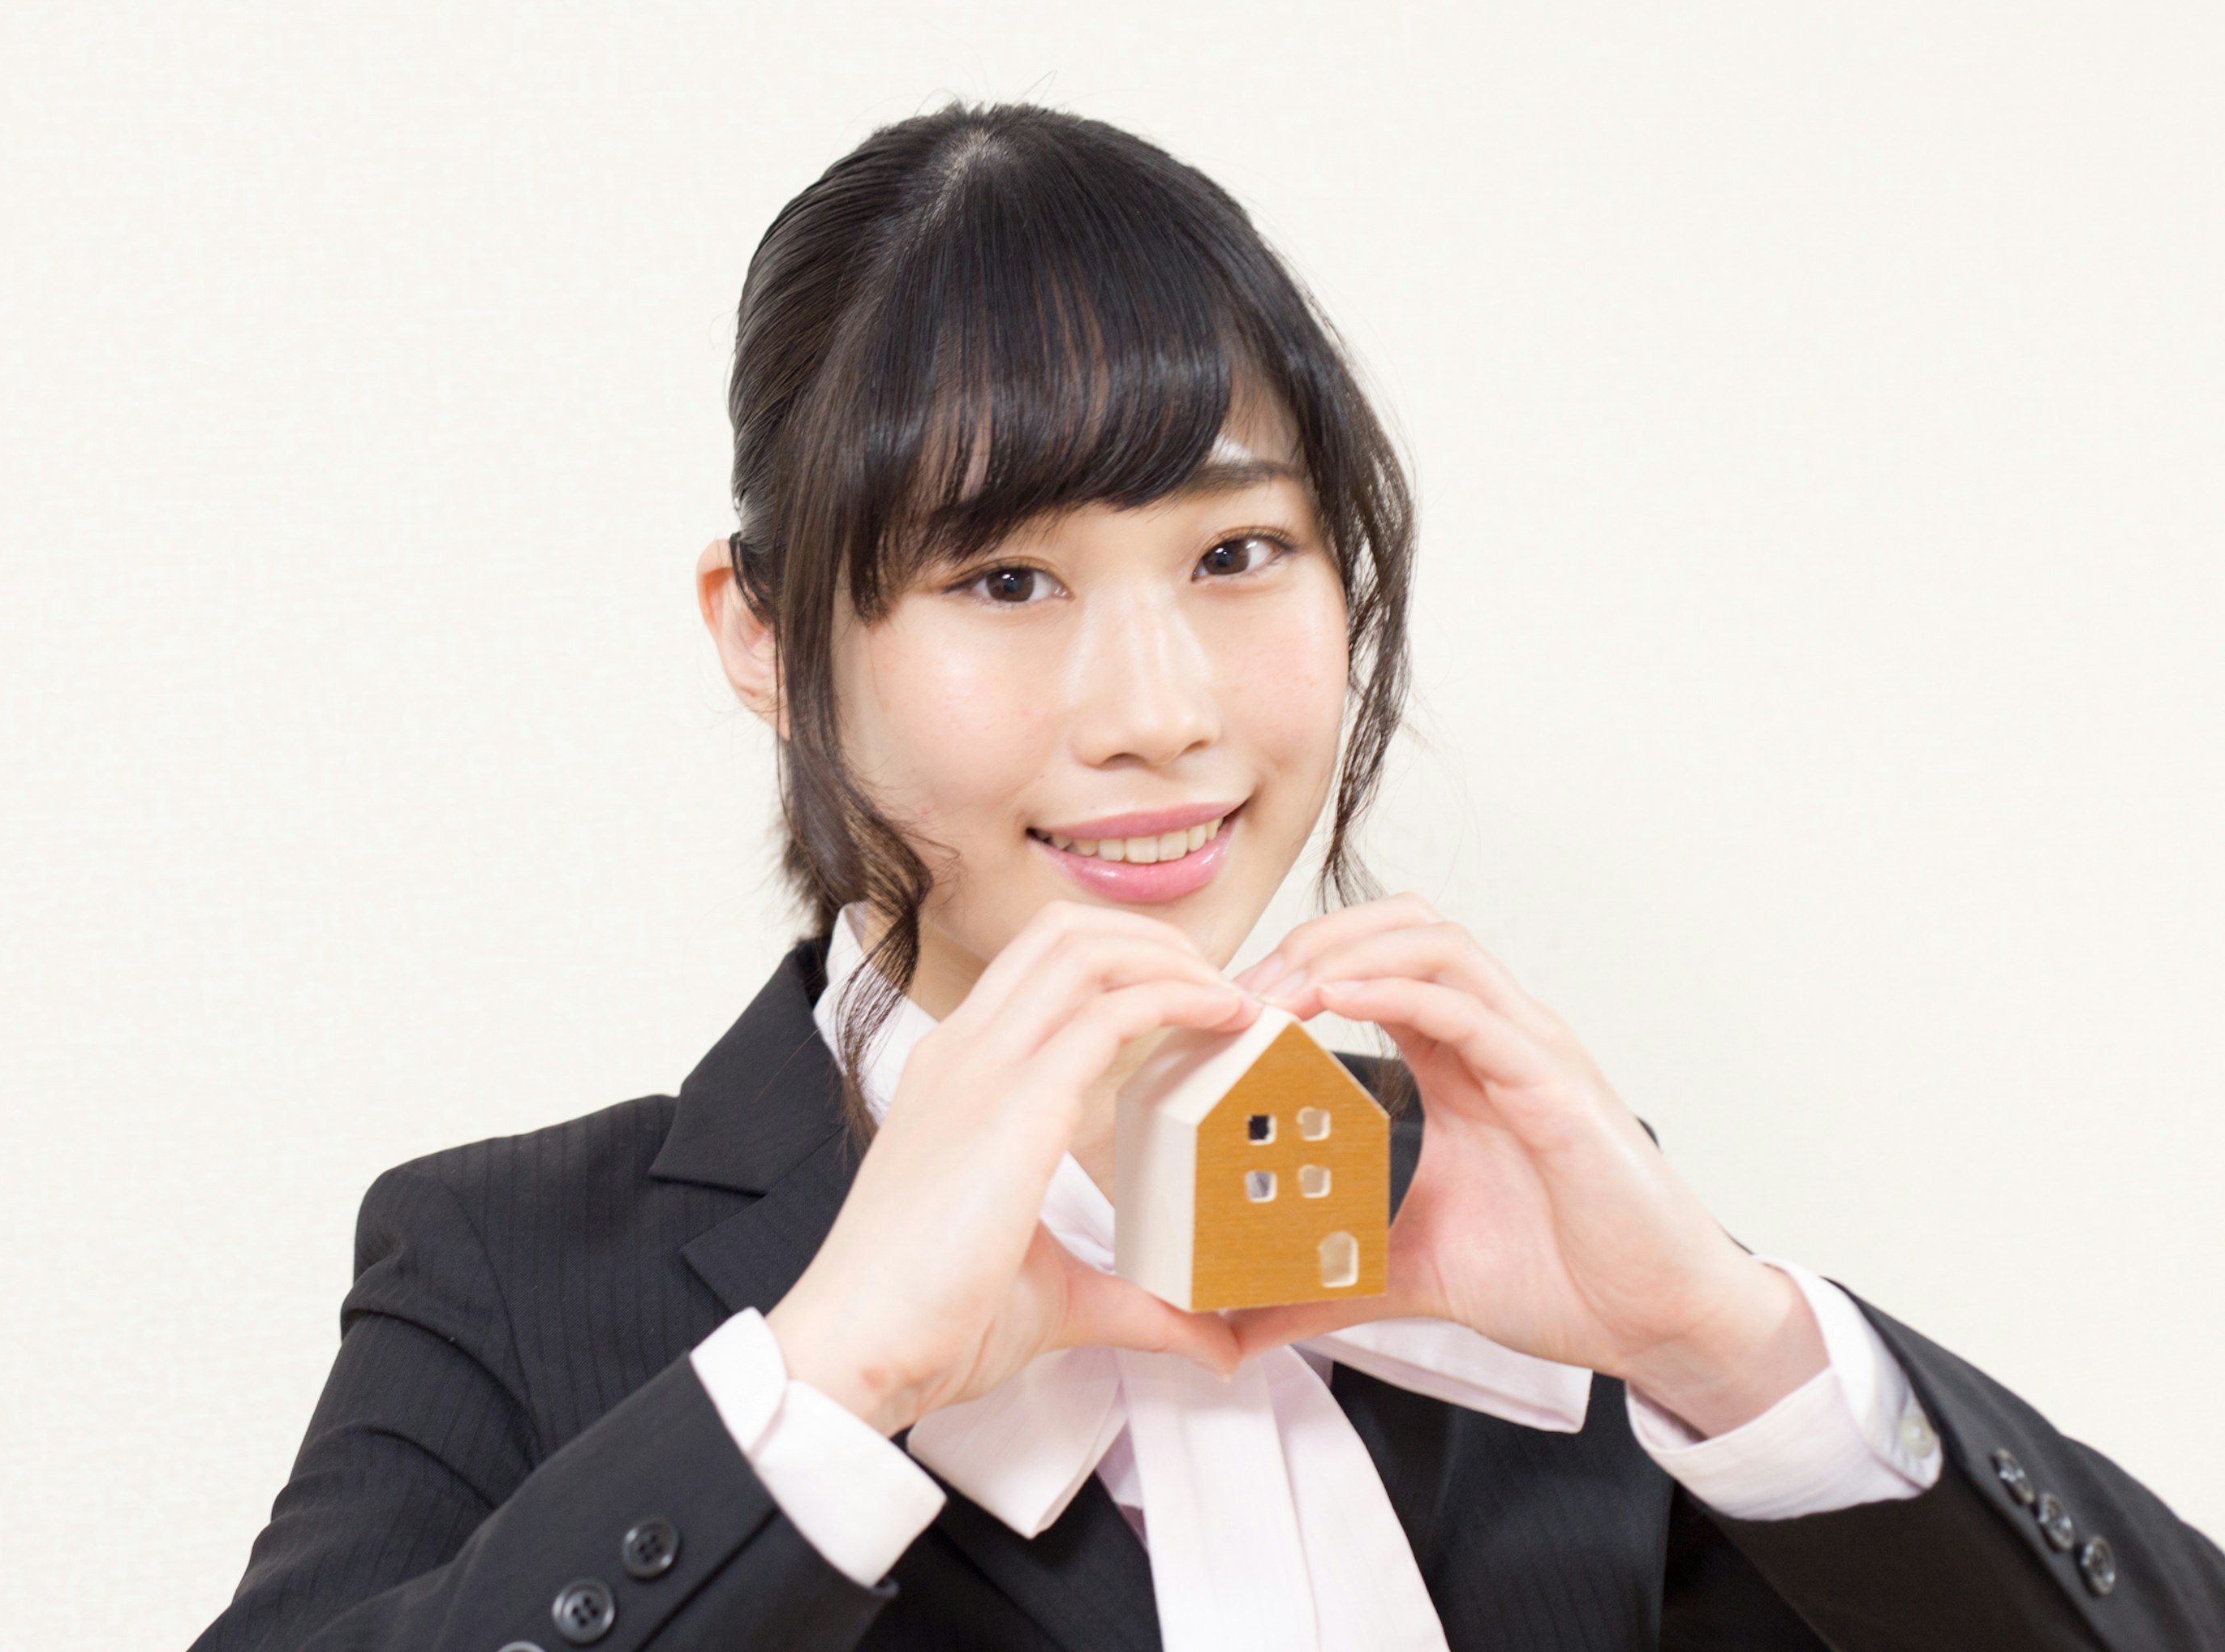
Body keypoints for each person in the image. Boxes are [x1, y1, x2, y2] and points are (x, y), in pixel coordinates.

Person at [192, 105, 2223, 1650]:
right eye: (1004, 577)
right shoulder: (518, 1268)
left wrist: (1732, 1343)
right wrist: (824, 1387)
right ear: (761, 631)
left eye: (1238, 553)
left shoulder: (1528, 1247)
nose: (1158, 708)